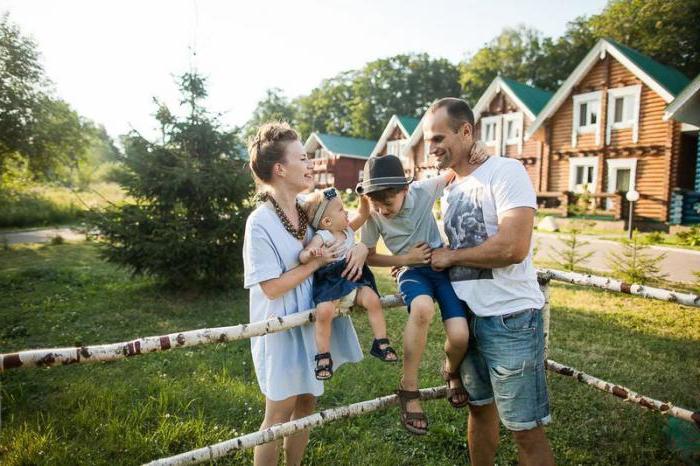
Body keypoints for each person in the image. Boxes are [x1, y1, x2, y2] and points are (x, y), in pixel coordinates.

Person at [424, 98, 555, 466]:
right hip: (465, 318)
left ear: (466, 131)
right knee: (479, 411)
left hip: (509, 318)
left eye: (438, 138)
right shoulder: (449, 185)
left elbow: (513, 247)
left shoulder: (506, 171)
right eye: (426, 141)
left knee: (525, 429)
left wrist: (451, 256)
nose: (431, 148)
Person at [243, 122, 367, 466]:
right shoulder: (261, 222)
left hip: (310, 323)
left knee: (308, 403)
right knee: (278, 414)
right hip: (280, 327)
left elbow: (342, 230)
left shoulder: (307, 209)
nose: (310, 163)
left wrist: (360, 250)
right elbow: (271, 287)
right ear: (280, 169)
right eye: (302, 158)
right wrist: (314, 265)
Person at [357, 154, 470, 436]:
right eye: (376, 203)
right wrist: (405, 258)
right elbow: (369, 256)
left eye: (388, 203)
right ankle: (409, 388)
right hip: (410, 270)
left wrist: (475, 152)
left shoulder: (423, 190)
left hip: (442, 268)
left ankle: (451, 370)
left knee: (459, 336)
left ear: (405, 190)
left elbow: (452, 173)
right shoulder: (374, 215)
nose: (382, 210)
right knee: (421, 308)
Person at [299, 188, 398, 380]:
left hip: (353, 280)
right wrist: (311, 254)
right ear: (327, 222)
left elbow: (363, 214)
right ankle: (323, 355)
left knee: (372, 299)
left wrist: (362, 197)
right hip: (331, 282)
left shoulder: (348, 230)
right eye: (341, 210)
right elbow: (304, 254)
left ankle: (381, 342)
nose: (346, 212)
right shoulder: (323, 237)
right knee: (324, 312)